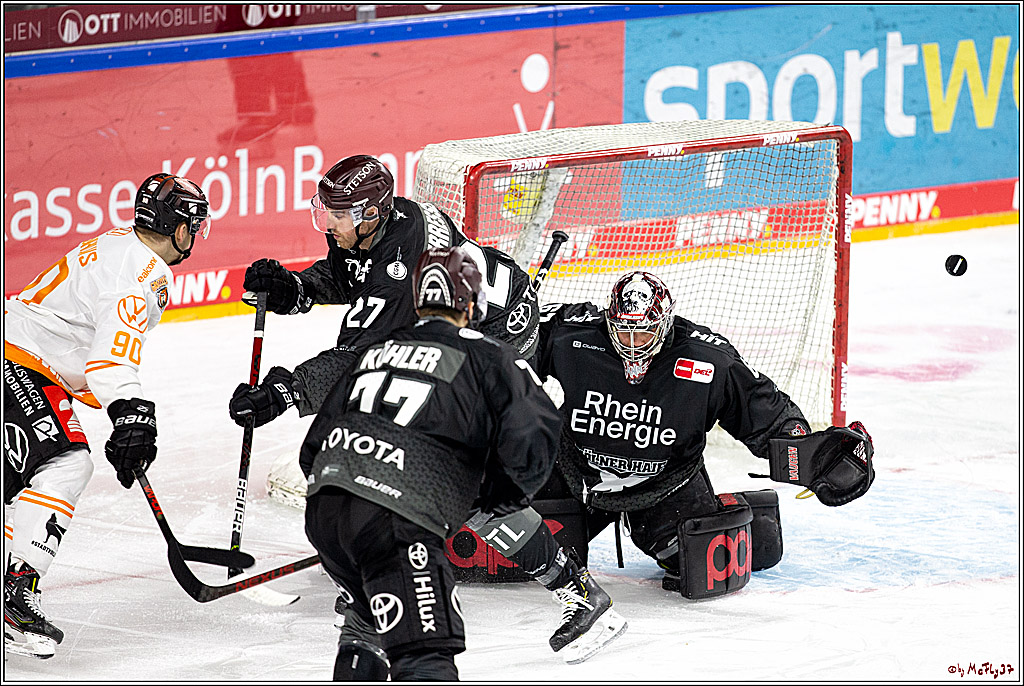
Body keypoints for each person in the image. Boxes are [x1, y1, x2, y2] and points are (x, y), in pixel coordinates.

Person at [299, 247, 625, 680]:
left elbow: (311, 451)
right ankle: (575, 587)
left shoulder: (376, 349)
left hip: (325, 515)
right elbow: (537, 437)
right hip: (396, 525)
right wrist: (497, 494)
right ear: (473, 302)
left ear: (417, 299)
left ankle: (574, 589)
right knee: (425, 657)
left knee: (366, 636)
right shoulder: (487, 353)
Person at [517, 271, 876, 599]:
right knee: (510, 551)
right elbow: (517, 337)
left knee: (701, 569)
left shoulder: (708, 357)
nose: (632, 342)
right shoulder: (573, 333)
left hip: (664, 486)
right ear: (608, 320)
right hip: (574, 471)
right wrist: (509, 321)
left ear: (666, 323)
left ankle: (738, 508)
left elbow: (761, 409)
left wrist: (801, 446)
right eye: (623, 331)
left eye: (643, 331)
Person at [3, 173, 211, 659]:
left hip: (23, 358)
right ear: (178, 228)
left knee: (23, 476)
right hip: (19, 362)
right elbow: (109, 361)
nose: (196, 236)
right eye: (193, 225)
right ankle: (13, 599)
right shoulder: (140, 275)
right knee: (67, 463)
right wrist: (133, 414)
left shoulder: (124, 246)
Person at [227, 154, 539, 428]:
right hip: (464, 313)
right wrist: (298, 287)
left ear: (371, 213)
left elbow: (361, 357)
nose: (331, 224)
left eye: (340, 214)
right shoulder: (374, 226)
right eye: (329, 212)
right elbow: (356, 276)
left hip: (502, 330)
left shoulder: (399, 267)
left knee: (406, 395)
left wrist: (290, 390)